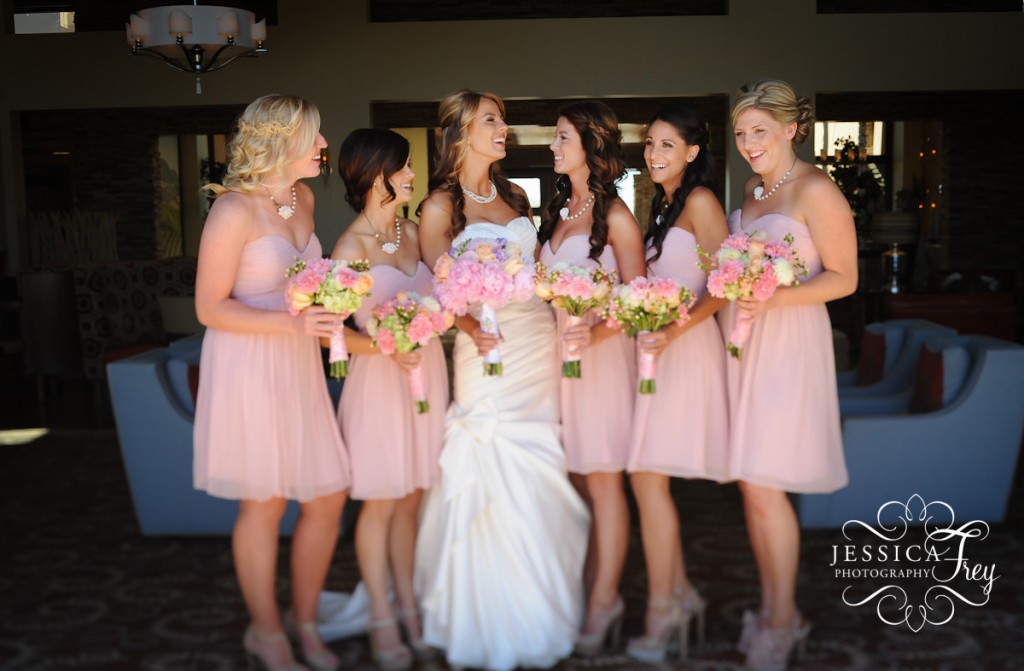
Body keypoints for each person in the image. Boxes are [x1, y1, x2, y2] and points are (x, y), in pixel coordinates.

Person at [413, 89, 590, 671]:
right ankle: (487, 622)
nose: (504, 128)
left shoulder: (514, 195)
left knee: (539, 461)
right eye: (492, 119)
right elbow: (441, 285)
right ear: (461, 132)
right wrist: (470, 323)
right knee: (491, 459)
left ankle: (543, 612)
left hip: (535, 342)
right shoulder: (440, 205)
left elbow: (536, 271)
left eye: (502, 119)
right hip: (483, 345)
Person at [193, 94, 348, 671]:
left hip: (299, 363)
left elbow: (308, 274)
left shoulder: (303, 197)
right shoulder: (233, 210)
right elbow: (209, 308)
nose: (324, 146)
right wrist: (293, 320)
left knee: (328, 493)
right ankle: (267, 632)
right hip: (249, 364)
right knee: (265, 501)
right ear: (280, 141)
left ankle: (305, 622)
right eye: (315, 136)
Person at [726, 79, 855, 670]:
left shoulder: (815, 188)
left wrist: (773, 298)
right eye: (741, 133)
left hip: (790, 341)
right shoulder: (750, 193)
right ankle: (779, 609)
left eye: (759, 130)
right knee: (753, 487)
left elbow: (845, 278)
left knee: (766, 481)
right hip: (746, 344)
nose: (749, 142)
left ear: (791, 129)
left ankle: (781, 619)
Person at [330, 128, 448, 670]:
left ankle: (411, 608)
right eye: (402, 168)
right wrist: (382, 343)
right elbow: (329, 335)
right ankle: (381, 615)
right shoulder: (350, 248)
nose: (410, 175)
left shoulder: (414, 230)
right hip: (378, 383)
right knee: (380, 500)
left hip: (428, 376)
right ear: (375, 173)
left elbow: (445, 291)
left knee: (413, 498)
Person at [536, 100, 644, 657]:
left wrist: (595, 334)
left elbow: (640, 297)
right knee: (576, 482)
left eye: (561, 138)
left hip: (599, 364)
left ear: (590, 146)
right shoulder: (556, 212)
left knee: (602, 481)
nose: (553, 147)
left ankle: (606, 601)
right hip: (555, 364)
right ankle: (583, 586)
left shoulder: (617, 216)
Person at [623, 104, 730, 663]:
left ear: (691, 152)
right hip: (658, 351)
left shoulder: (701, 201)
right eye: (649, 145)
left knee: (646, 479)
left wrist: (674, 327)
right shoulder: (662, 204)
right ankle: (680, 596)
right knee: (646, 479)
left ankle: (665, 607)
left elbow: (726, 284)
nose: (654, 155)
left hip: (686, 351)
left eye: (666, 146)